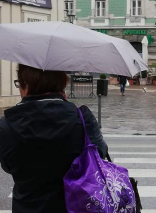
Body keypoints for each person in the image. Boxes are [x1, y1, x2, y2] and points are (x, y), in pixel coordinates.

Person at [0, 64, 108, 213]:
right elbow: (100, 153)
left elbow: (7, 165)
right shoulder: (82, 118)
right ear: (61, 83)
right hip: (75, 207)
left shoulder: (6, 125)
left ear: (25, 85)